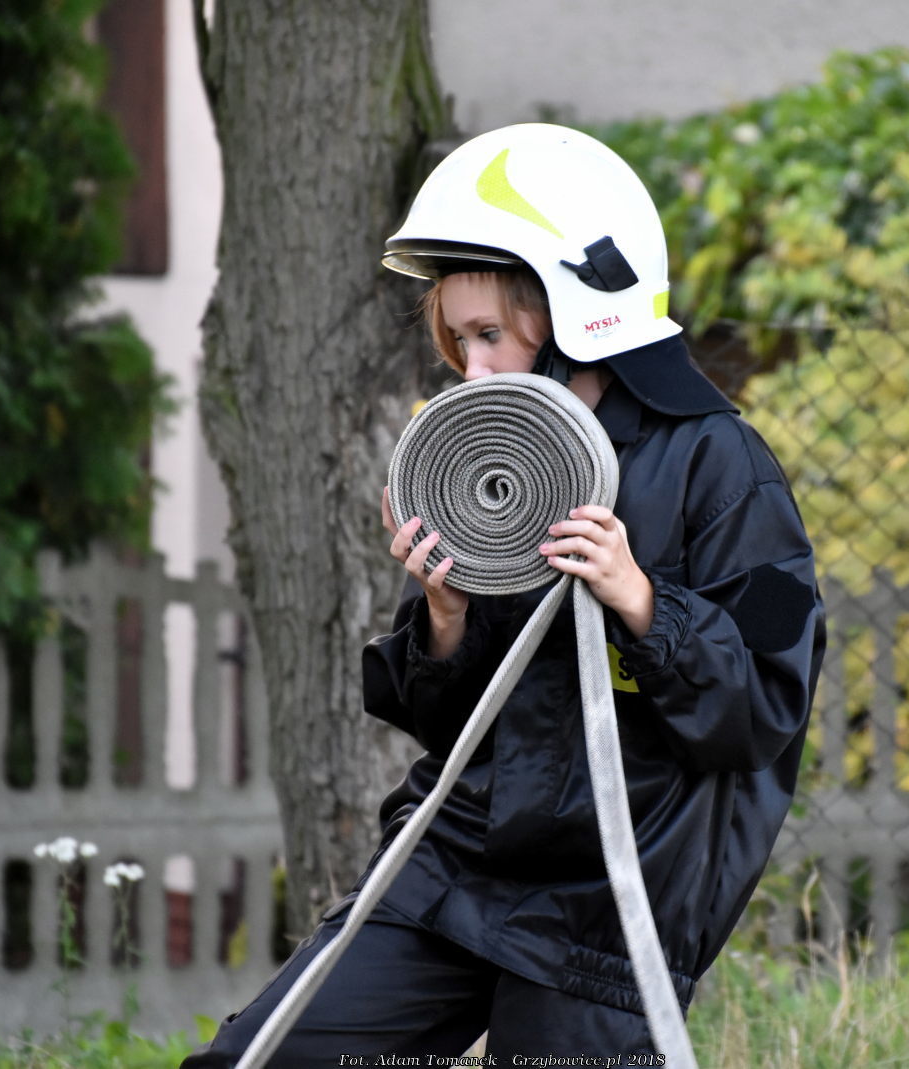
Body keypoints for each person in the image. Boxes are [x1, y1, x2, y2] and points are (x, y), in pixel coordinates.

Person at [183, 123, 824, 1065]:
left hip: (609, 902)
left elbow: (763, 710)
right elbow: (453, 725)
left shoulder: (721, 466)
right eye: (458, 340)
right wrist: (442, 618)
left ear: (580, 317)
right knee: (259, 1057)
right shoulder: (490, 460)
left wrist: (641, 599)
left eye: (490, 336)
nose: (471, 368)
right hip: (455, 866)